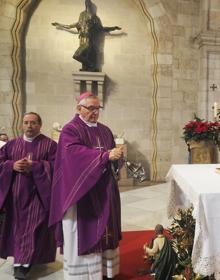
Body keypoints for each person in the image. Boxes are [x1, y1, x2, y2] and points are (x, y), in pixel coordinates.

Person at [49, 92, 123, 280]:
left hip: (104, 188)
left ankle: (104, 271)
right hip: (81, 192)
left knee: (106, 228)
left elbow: (113, 155)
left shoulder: (105, 130)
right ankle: (82, 274)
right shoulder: (70, 129)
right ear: (79, 108)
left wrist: (117, 157)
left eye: (97, 108)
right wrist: (104, 156)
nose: (95, 112)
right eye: (90, 108)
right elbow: (73, 155)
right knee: (82, 228)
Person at [0, 112, 58, 280]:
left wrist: (37, 167)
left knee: (32, 228)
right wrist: (11, 165)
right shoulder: (11, 145)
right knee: (17, 228)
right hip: (16, 196)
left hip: (39, 196)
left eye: (33, 123)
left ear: (40, 125)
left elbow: (57, 167)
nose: (29, 126)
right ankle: (22, 260)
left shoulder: (50, 145)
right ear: (22, 125)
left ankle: (22, 264)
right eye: (26, 123)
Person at [52, 0, 121, 71]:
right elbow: (69, 26)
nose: (85, 19)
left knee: (77, 55)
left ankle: (91, 65)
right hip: (82, 41)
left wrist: (113, 28)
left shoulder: (94, 19)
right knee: (81, 56)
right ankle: (90, 66)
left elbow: (101, 28)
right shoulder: (79, 23)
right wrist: (58, 24)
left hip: (88, 41)